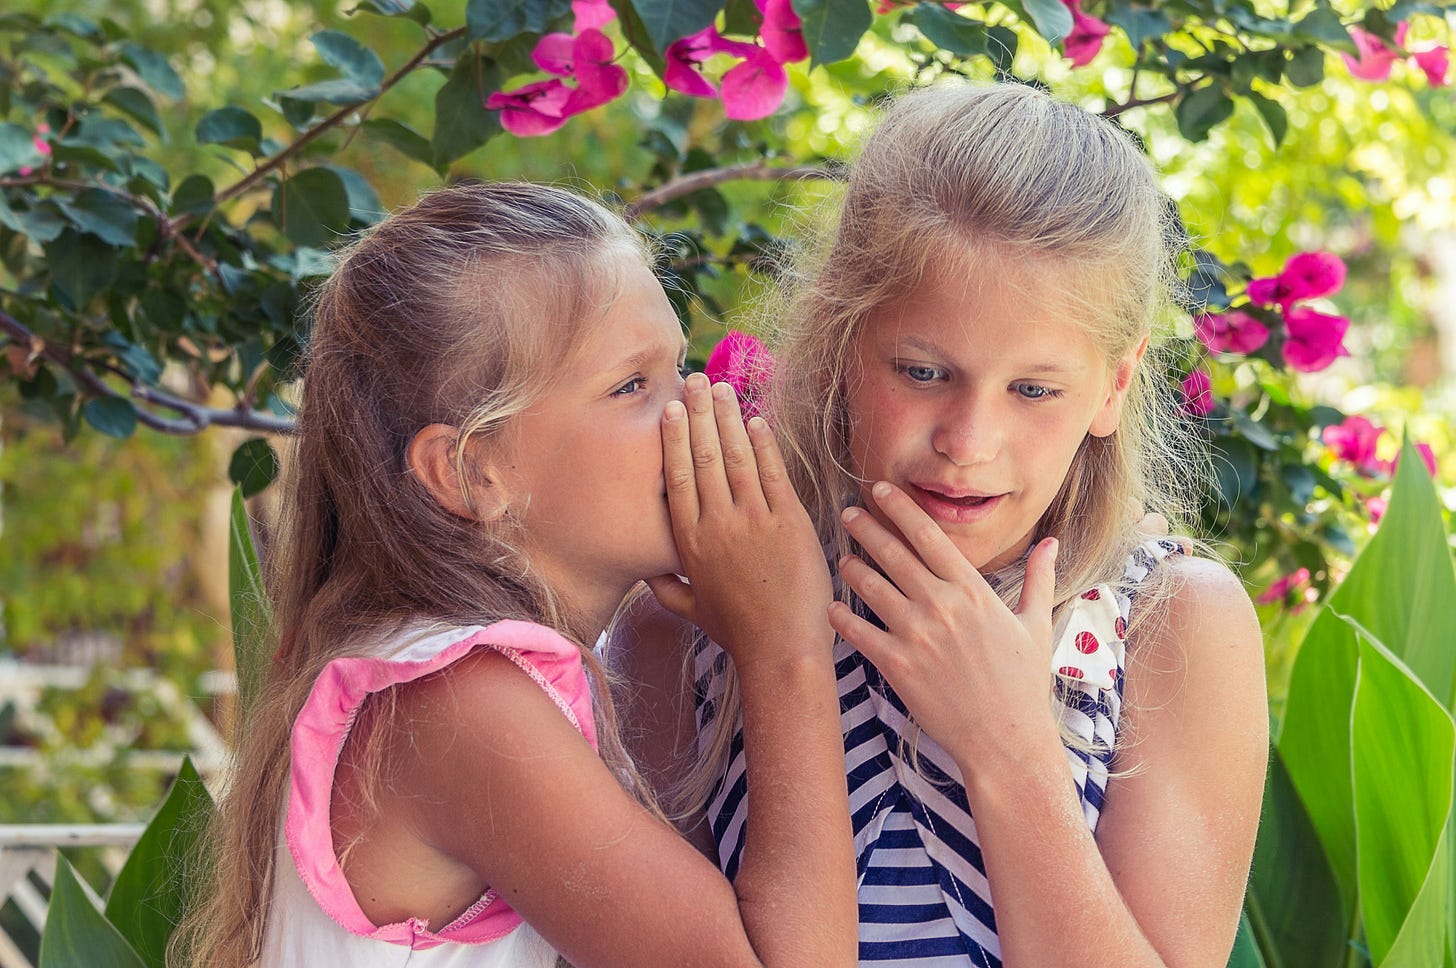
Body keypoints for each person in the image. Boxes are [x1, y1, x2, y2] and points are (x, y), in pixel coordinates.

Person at [613, 83, 1269, 966]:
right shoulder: (698, 615)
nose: (968, 442)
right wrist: (781, 654)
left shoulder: (1171, 625)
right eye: (923, 371)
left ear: (1114, 387)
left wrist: (1009, 750)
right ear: (844, 343)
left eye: (1034, 390)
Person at [172, 182, 858, 968]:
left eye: (680, 365)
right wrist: (785, 644)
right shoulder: (461, 705)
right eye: (633, 385)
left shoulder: (463, 678)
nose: (698, 406)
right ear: (471, 473)